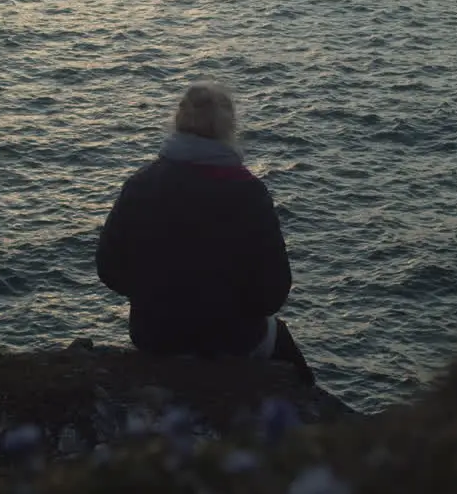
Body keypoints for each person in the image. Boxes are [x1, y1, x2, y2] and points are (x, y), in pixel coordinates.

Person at [96, 81, 315, 385]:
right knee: (293, 366)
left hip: (155, 334)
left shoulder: (141, 185)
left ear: (177, 121)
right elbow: (273, 291)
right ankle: (321, 425)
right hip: (231, 338)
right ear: (230, 128)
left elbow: (108, 266)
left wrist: (154, 295)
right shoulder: (249, 193)